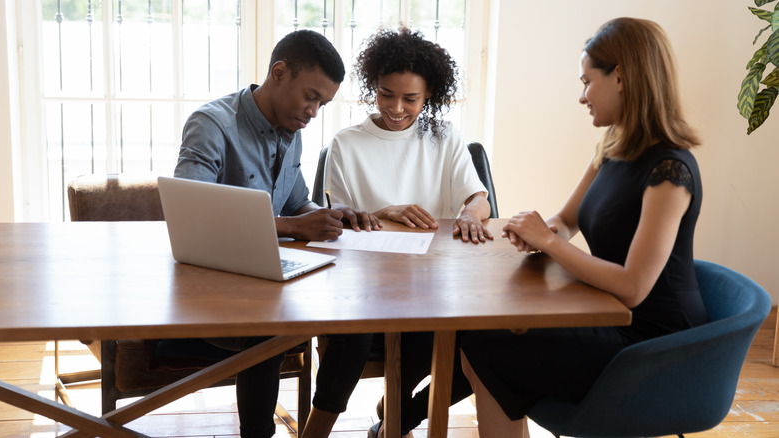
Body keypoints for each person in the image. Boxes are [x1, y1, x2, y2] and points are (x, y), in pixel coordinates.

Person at [459, 17, 708, 437]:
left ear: (622, 78)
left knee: (486, 345)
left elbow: (632, 287)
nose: (581, 96)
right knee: (484, 333)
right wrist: (540, 232)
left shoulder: (670, 169)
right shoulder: (612, 146)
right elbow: (565, 221)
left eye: (587, 81)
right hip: (612, 316)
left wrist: (548, 243)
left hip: (654, 344)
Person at [159, 30, 371, 438]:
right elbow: (191, 214)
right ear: (279, 73)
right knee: (268, 327)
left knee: (354, 324)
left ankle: (316, 433)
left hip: (266, 281)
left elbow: (296, 204)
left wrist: (330, 216)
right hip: (208, 289)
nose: (313, 112)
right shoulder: (212, 124)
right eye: (310, 97)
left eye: (322, 104)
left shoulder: (291, 133)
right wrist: (295, 226)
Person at [323, 27, 492, 438]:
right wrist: (382, 212)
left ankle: (400, 417)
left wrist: (471, 212)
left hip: (435, 286)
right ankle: (395, 413)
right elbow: (336, 223)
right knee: (424, 336)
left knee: (495, 345)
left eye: (410, 98)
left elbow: (479, 200)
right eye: (386, 94)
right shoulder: (346, 145)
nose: (397, 107)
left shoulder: (445, 137)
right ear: (373, 89)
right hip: (366, 289)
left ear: (429, 94)